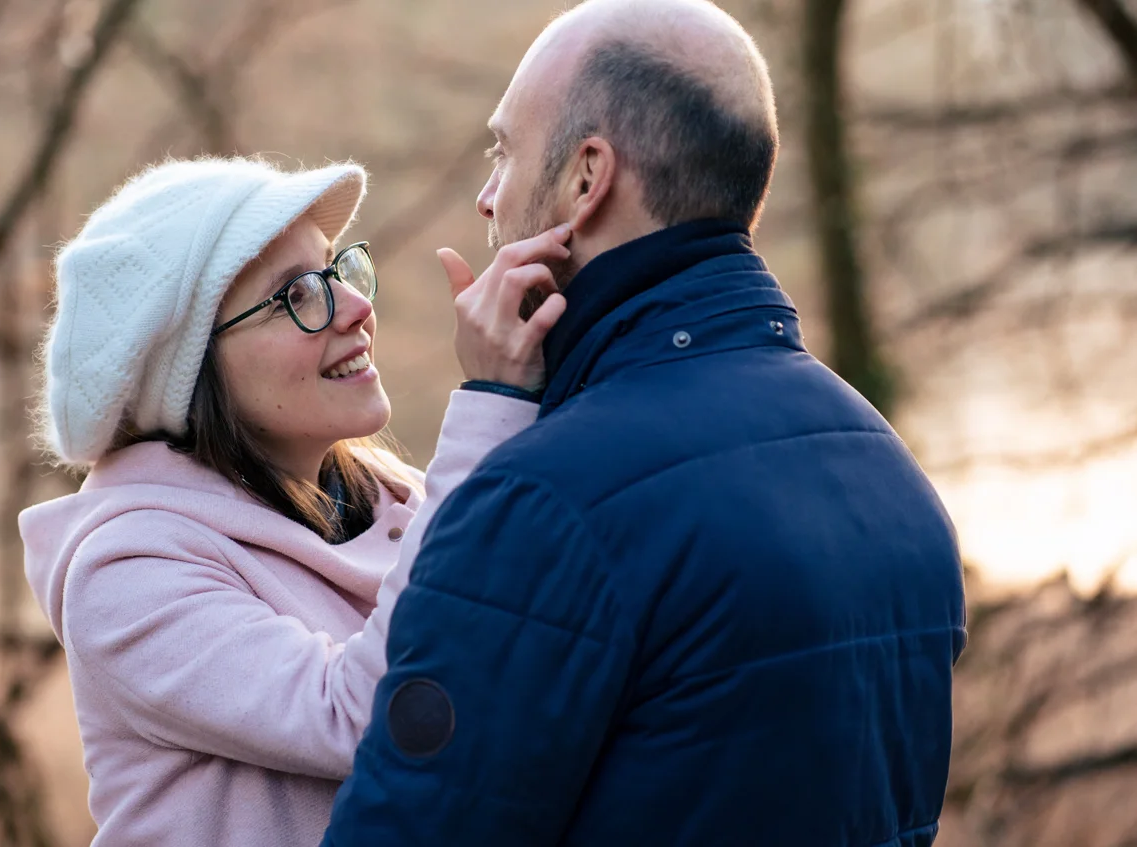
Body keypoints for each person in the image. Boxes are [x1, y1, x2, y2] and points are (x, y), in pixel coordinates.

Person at [323, 1, 968, 845]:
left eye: (504, 151)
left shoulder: (546, 506)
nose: (487, 198)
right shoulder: (891, 475)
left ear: (587, 178)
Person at [18, 155, 569, 846]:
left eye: (337, 270)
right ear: (187, 370)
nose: (358, 306)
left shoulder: (400, 499)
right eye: (297, 295)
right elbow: (376, 712)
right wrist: (491, 405)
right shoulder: (125, 570)